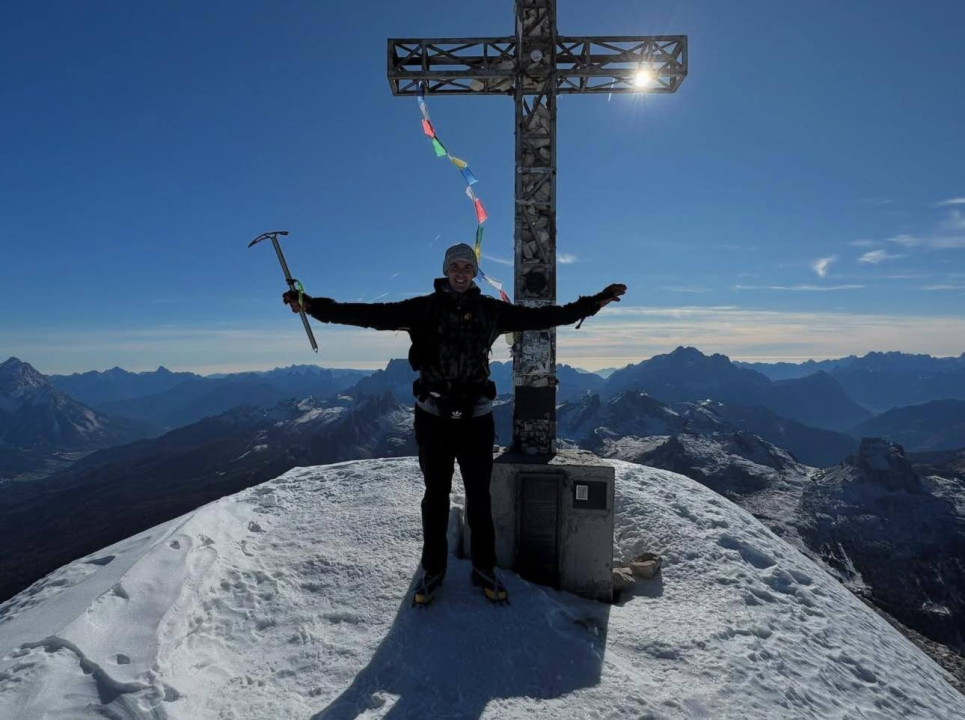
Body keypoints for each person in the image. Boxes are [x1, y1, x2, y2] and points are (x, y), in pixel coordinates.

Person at [283, 243, 625, 605]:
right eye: (455, 266)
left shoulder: (491, 311)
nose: (461, 272)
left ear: (473, 272)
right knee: (436, 497)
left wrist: (594, 303)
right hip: (434, 418)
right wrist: (311, 305)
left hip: (475, 419)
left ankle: (484, 568)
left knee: (480, 497)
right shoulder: (422, 309)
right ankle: (433, 570)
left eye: (467, 267)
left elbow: (547, 317)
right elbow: (367, 314)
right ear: (446, 270)